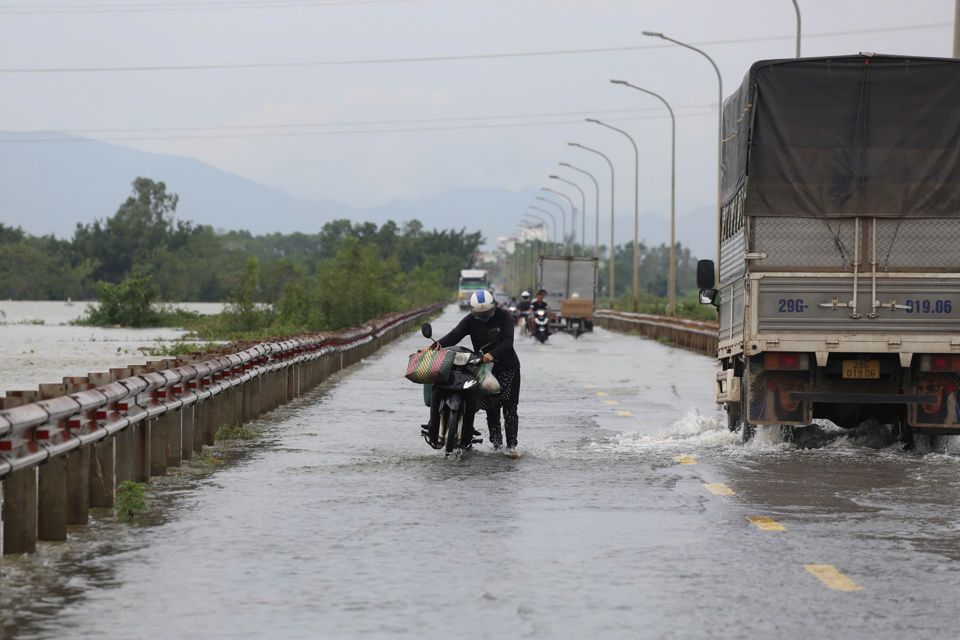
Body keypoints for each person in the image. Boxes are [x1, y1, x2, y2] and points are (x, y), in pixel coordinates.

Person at [434, 290, 522, 453]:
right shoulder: (470, 321)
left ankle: (511, 448)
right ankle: (497, 447)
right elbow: (454, 335)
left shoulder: (505, 317)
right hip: (485, 370)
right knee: (491, 409)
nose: (484, 317)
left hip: (508, 368)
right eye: (479, 314)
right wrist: (434, 347)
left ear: (493, 307)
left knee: (510, 409)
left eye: (487, 312)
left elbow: (508, 341)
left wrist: (492, 354)